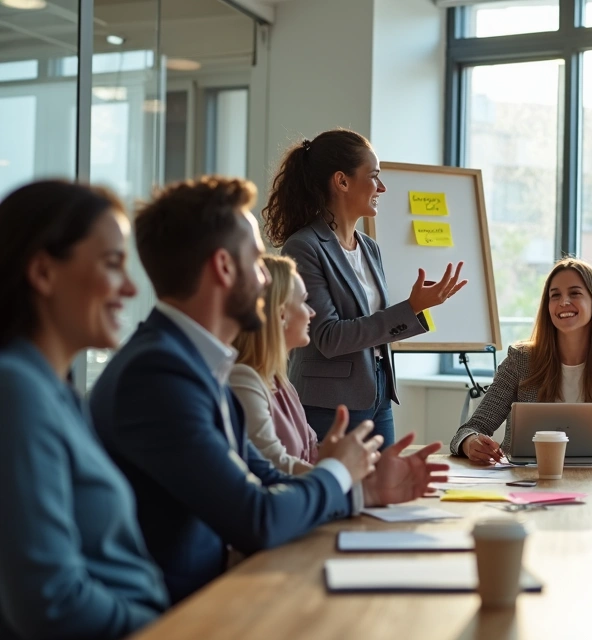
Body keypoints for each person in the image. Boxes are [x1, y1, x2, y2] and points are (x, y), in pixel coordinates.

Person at [90, 177, 447, 603]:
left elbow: (265, 479)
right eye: (258, 261)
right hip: (177, 615)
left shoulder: (198, 362)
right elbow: (256, 518)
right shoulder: (160, 374)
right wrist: (336, 473)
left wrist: (365, 489)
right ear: (224, 267)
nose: (267, 279)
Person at [0, 181, 168, 638]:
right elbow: (50, 602)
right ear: (43, 272)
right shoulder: (17, 390)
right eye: (113, 264)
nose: (132, 287)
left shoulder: (56, 390)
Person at [264, 128, 468, 448]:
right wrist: (410, 308)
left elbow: (373, 325)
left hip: (378, 394)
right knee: (344, 494)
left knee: (383, 493)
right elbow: (329, 337)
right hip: (329, 405)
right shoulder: (303, 247)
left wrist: (418, 306)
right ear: (342, 181)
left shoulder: (369, 248)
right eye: (374, 176)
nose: (382, 187)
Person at [451, 259, 592, 462]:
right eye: (555, 295)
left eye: (575, 293)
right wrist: (470, 443)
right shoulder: (520, 360)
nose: (563, 302)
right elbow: (470, 429)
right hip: (523, 479)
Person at [230, 255, 320, 475]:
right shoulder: (242, 379)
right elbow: (274, 464)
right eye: (304, 302)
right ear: (281, 314)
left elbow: (313, 451)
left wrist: (368, 462)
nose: (311, 313)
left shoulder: (280, 380)